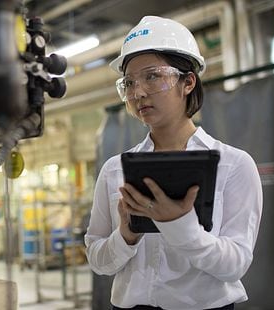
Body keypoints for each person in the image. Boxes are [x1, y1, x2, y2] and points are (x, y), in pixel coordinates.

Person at [85, 16, 263, 310]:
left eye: (153, 76)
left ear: (188, 81)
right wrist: (126, 235)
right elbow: (98, 261)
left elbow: (235, 265)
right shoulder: (114, 170)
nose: (138, 92)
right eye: (129, 83)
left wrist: (180, 225)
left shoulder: (234, 165)